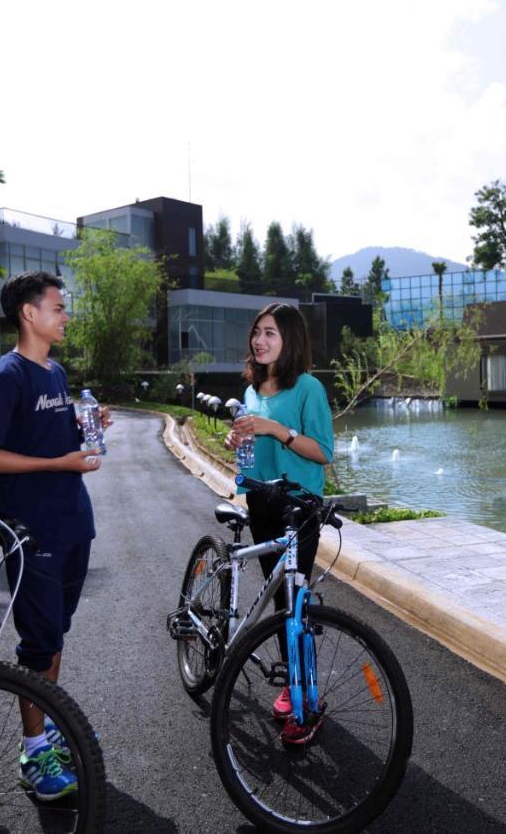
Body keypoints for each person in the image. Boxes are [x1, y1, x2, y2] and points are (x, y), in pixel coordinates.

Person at [0, 271, 109, 800]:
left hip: (74, 522)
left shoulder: (55, 372)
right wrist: (59, 459)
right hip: (33, 532)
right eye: (57, 307)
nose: (65, 314)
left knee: (54, 636)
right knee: (37, 644)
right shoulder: (8, 377)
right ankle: (34, 752)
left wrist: (87, 426)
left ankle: (49, 724)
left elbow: (51, 433)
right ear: (29, 314)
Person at [225, 301, 334, 744]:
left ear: (290, 339)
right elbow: (248, 449)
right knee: (278, 599)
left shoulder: (307, 388)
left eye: (270, 333)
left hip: (299, 505)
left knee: (296, 600)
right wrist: (238, 438)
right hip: (261, 501)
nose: (260, 340)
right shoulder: (253, 389)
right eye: (257, 332)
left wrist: (276, 429)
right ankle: (292, 684)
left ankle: (306, 698)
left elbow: (323, 451)